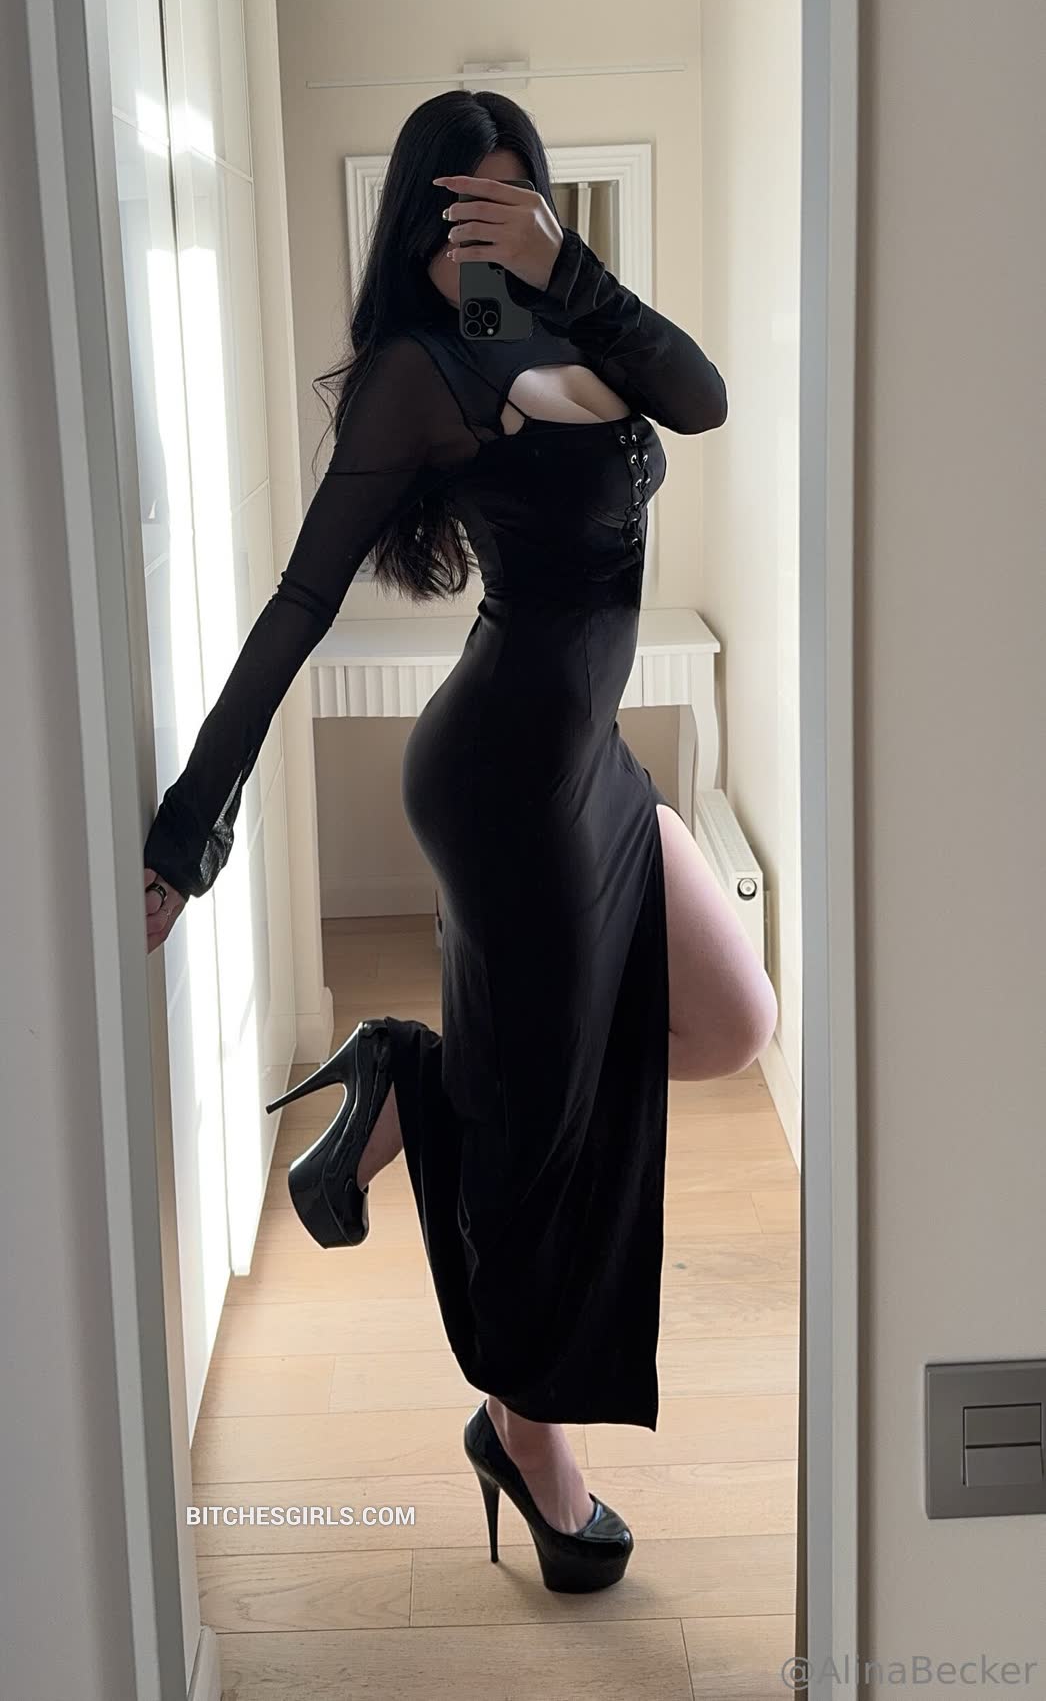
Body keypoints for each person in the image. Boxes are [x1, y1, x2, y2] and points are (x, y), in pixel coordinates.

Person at [143, 90, 778, 1592]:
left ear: (541, 212)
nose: (478, 236)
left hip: (589, 765)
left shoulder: (576, 326)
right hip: (502, 784)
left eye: (508, 205)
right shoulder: (415, 376)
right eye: (454, 208)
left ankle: (418, 1084)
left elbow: (701, 397)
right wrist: (189, 825)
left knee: (732, 1020)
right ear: (410, 220)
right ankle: (528, 1441)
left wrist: (568, 267)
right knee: (535, 1153)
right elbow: (300, 601)